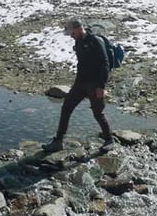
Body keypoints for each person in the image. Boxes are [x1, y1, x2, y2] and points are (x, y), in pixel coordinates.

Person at [42, 19, 114, 153]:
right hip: (80, 83)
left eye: (72, 32)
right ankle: (58, 141)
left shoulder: (96, 41)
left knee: (98, 113)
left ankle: (109, 140)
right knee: (66, 108)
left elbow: (105, 65)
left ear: (80, 28)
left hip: (95, 84)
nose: (71, 35)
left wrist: (101, 87)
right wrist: (76, 82)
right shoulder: (78, 41)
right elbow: (82, 63)